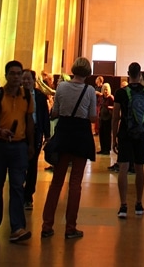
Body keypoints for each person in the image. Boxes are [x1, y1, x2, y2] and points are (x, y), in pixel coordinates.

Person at [41, 57, 97, 240]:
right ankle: (70, 227)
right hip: (81, 136)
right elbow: (92, 117)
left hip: (63, 134)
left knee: (56, 182)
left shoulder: (62, 87)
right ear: (88, 73)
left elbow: (55, 112)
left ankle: (47, 225)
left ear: (73, 70)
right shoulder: (89, 90)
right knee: (75, 184)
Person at [0, 59, 34, 243]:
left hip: (19, 145)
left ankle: (17, 227)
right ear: (6, 75)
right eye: (13, 73)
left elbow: (29, 121)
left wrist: (31, 144)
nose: (17, 77)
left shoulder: (26, 95)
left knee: (18, 186)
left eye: (19, 74)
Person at [112, 61, 144, 219]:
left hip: (125, 134)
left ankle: (123, 205)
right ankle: (139, 203)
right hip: (140, 134)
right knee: (140, 168)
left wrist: (114, 138)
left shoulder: (121, 93)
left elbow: (115, 117)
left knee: (123, 168)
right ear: (140, 74)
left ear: (128, 73)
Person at [22, 70, 50, 209]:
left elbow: (44, 115)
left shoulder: (39, 96)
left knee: (32, 165)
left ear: (34, 81)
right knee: (20, 164)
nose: (26, 82)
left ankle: (28, 196)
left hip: (36, 132)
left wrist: (47, 133)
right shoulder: (17, 95)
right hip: (20, 133)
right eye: (24, 79)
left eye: (29, 79)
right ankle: (19, 192)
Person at [97, 83, 114, 155]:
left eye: (106, 90)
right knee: (101, 134)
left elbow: (114, 107)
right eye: (104, 90)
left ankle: (107, 149)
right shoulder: (101, 97)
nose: (105, 91)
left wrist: (108, 107)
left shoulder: (111, 98)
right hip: (101, 118)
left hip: (108, 118)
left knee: (107, 134)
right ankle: (102, 148)